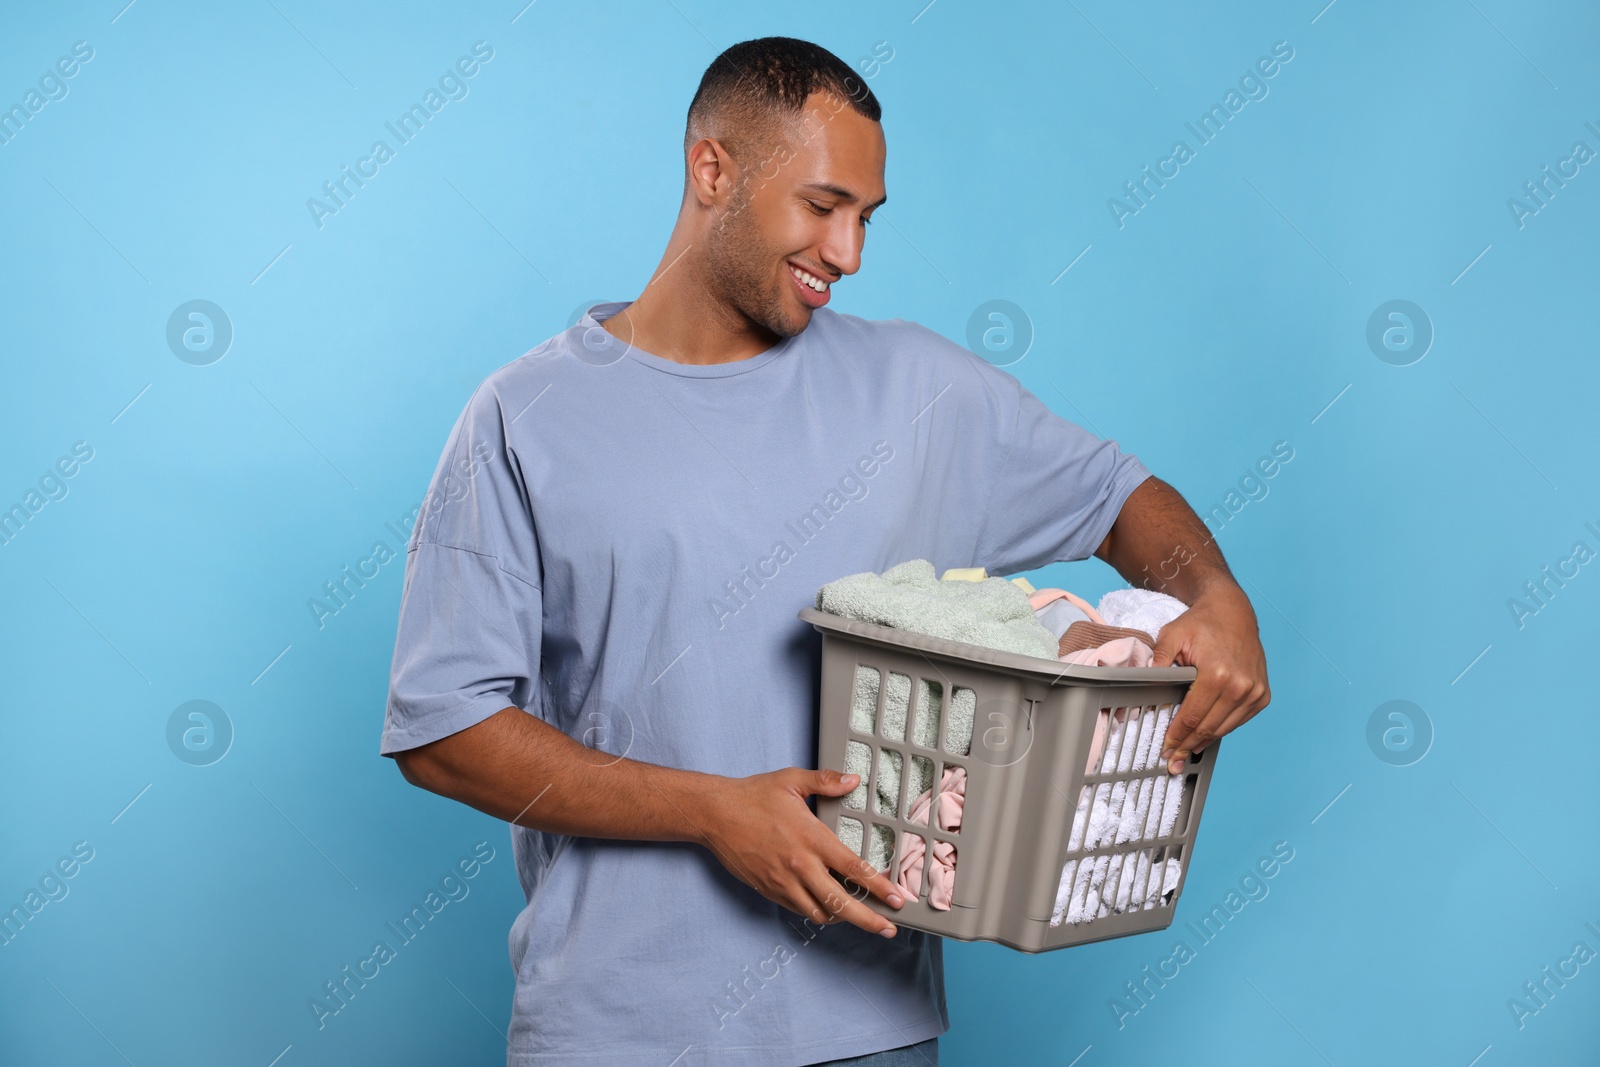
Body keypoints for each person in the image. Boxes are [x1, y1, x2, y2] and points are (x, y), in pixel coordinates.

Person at [381, 35, 1270, 1067]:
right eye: (821, 204)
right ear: (712, 170)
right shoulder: (525, 416)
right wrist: (712, 812)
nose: (847, 252)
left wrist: (1215, 593)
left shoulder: (916, 389)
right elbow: (443, 729)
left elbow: (1121, 496)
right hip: (616, 1032)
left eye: (866, 217)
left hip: (871, 1029)